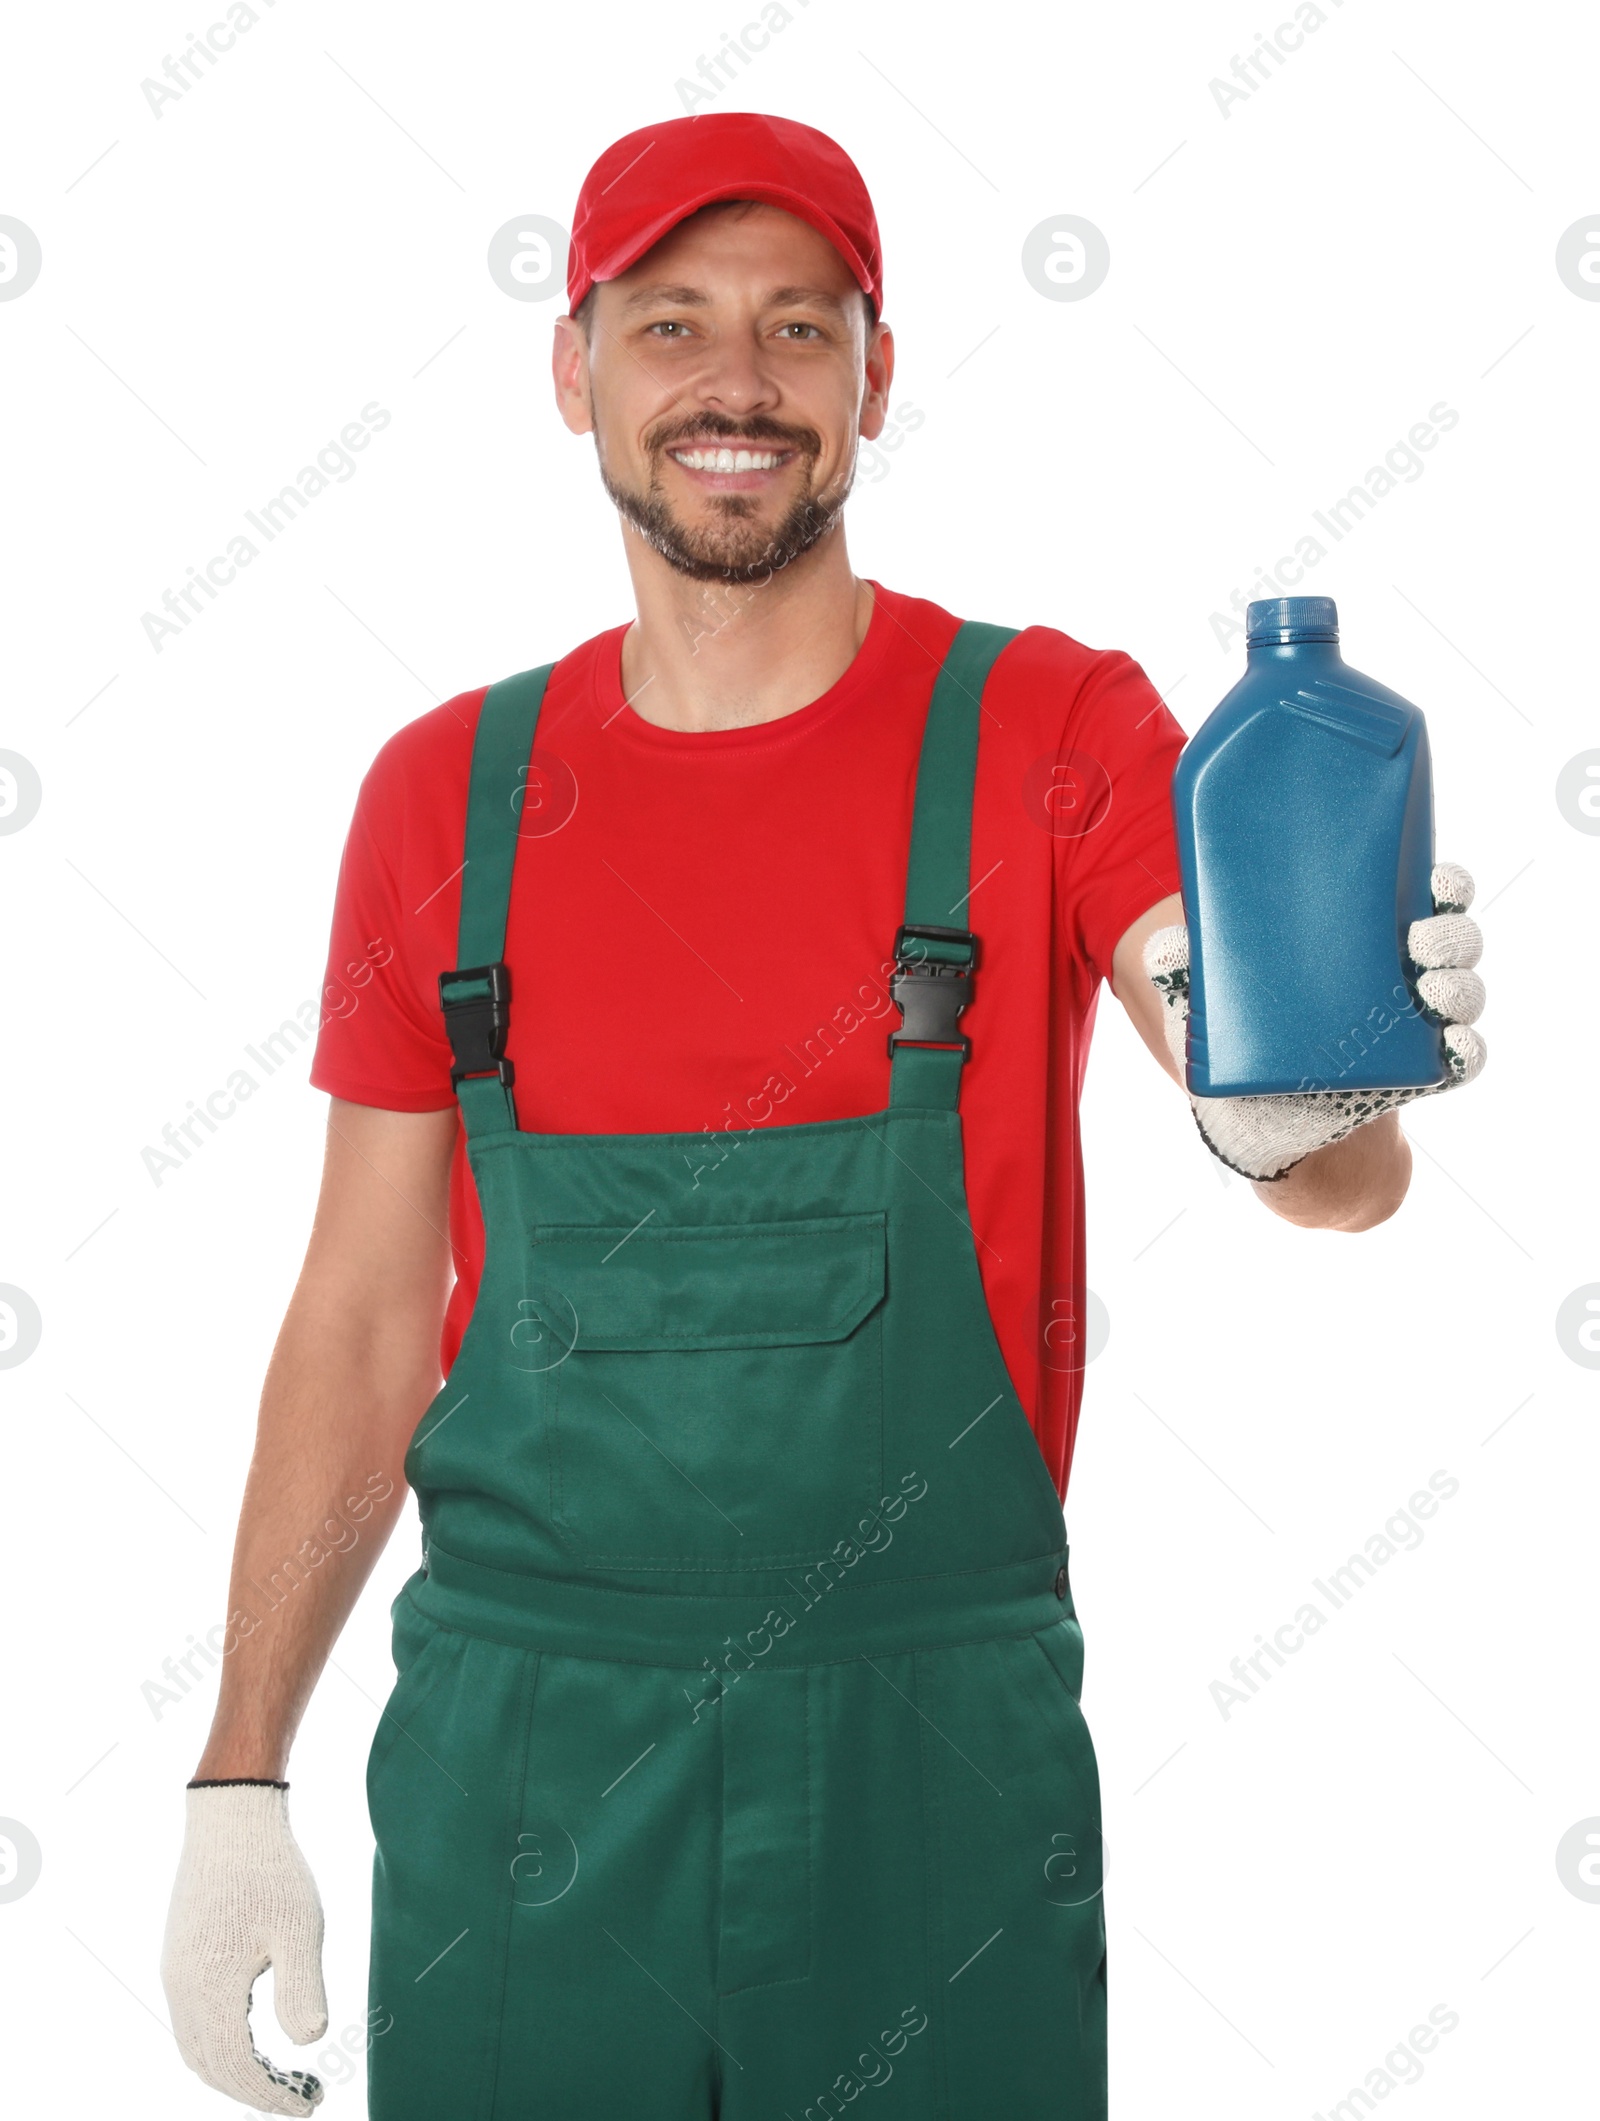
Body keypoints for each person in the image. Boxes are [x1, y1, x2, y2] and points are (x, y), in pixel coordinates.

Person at [159, 111, 1487, 2120]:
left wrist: (1309, 1087)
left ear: (875, 371)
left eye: (797, 327)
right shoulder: (448, 794)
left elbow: (1333, 1170)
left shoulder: (1048, 728)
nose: (734, 384)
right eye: (670, 322)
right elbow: (356, 1313)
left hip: (931, 1763)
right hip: (525, 1764)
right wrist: (239, 1765)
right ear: (573, 367)